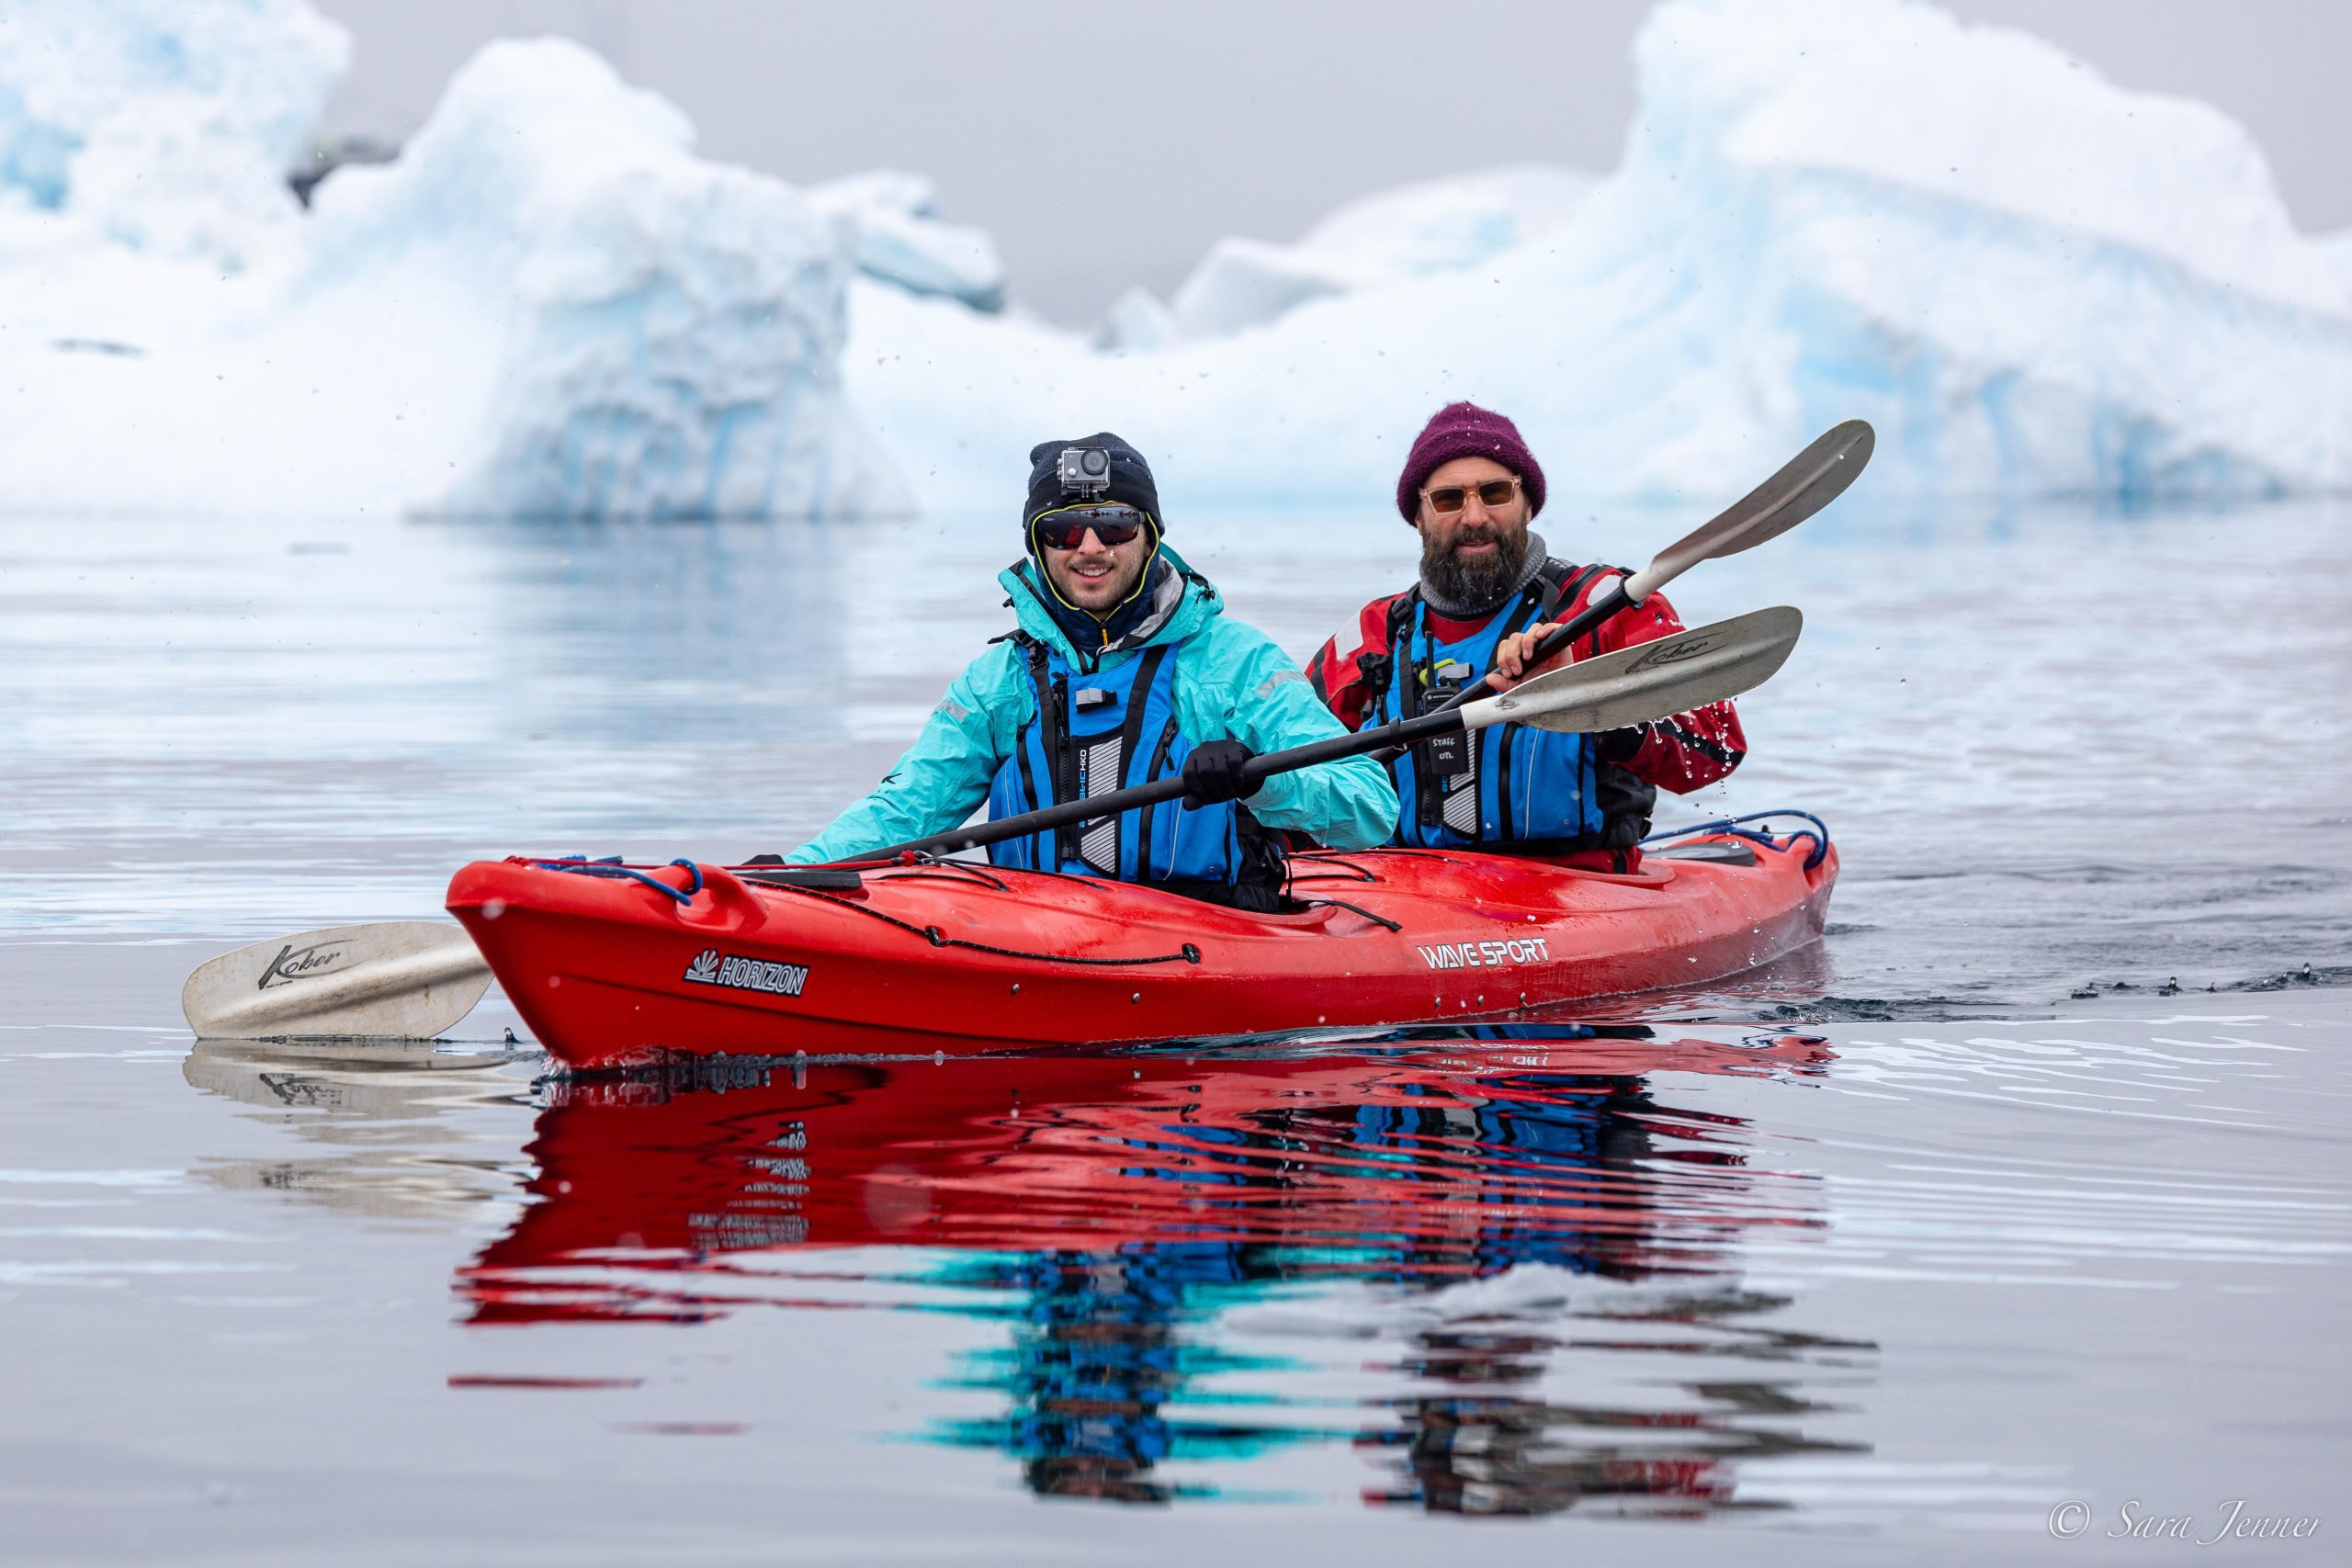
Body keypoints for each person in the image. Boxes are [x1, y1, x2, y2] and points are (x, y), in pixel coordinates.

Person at [787, 433, 1396, 908]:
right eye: (1062, 528)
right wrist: (789, 874)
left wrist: (1259, 781)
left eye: (1113, 523)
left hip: (1205, 931)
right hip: (1035, 931)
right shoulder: (1001, 678)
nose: (1089, 547)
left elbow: (1369, 807)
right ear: (1038, 544)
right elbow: (906, 810)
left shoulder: (1232, 661)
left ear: (1149, 535)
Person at [1304, 402, 1745, 872]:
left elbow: (1714, 751)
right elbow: (1293, 769)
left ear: (1528, 504)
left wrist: (1587, 697)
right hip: (1410, 889)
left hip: (1580, 885)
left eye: (1495, 493)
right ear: (1418, 515)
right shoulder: (1375, 634)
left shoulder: (1607, 609)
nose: (1474, 517)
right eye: (1449, 499)